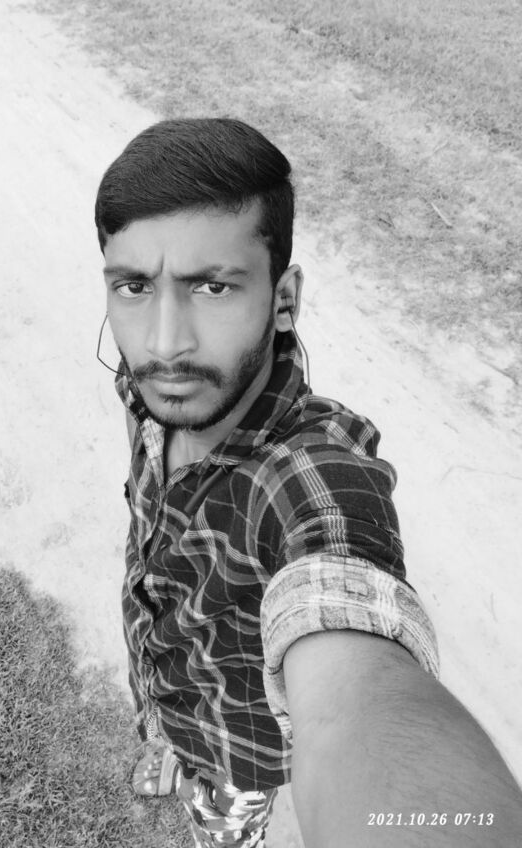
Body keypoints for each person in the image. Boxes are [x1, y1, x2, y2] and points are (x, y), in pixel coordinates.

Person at [94, 117, 522, 847]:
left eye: (213, 286)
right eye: (134, 286)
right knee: (170, 722)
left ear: (284, 297)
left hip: (237, 748)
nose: (164, 343)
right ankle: (168, 742)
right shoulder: (156, 390)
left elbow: (358, 688)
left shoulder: (306, 474)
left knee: (221, 821)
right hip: (172, 683)